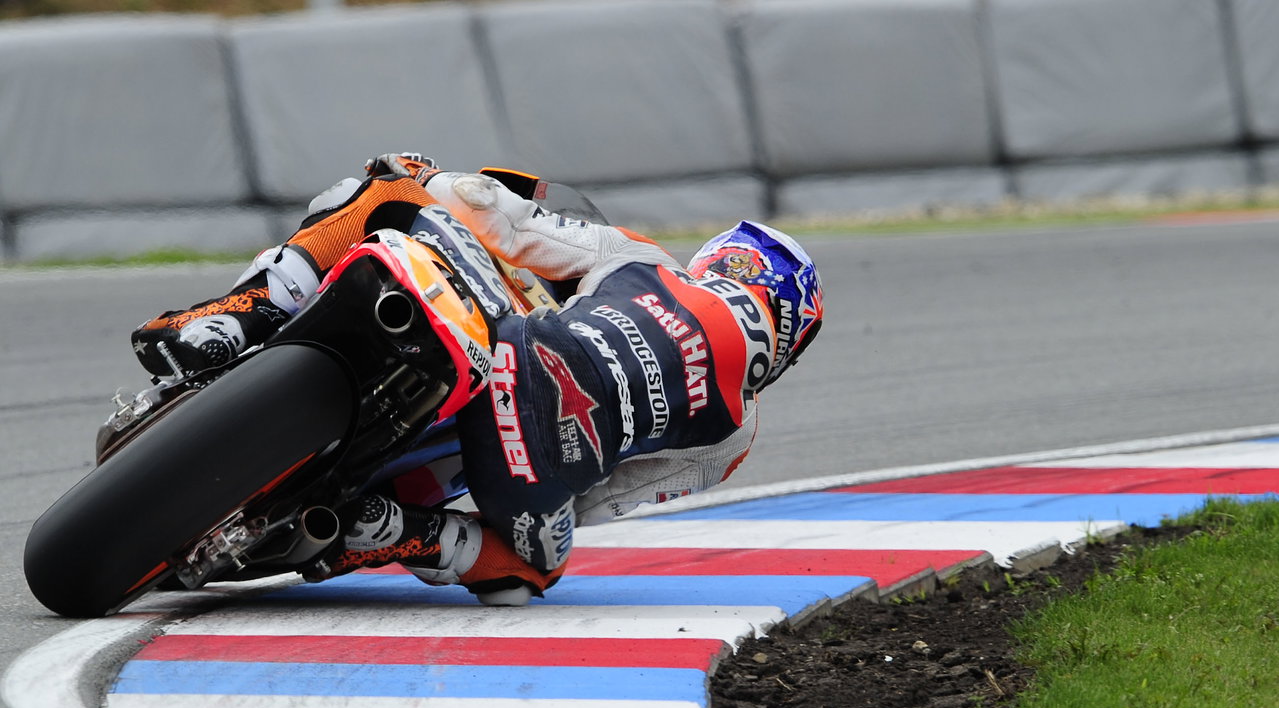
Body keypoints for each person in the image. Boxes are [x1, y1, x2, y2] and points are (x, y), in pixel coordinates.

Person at [131, 153, 824, 605]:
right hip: (532, 470)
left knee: (388, 186)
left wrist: (428, 178)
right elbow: (608, 499)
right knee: (532, 574)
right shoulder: (735, 436)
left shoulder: (645, 262)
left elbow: (496, 215)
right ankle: (395, 529)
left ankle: (235, 316)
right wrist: (528, 510)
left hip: (515, 349)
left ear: (721, 261)